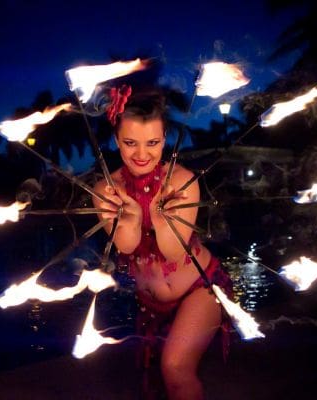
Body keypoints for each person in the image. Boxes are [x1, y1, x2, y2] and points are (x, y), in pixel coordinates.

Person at [93, 84, 232, 400]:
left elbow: (173, 251)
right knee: (154, 386)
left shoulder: (182, 181)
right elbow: (127, 246)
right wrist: (130, 219)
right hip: (150, 304)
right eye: (130, 143)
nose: (142, 154)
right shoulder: (106, 190)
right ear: (116, 139)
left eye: (152, 143)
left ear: (165, 138)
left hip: (200, 287)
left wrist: (159, 217)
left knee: (175, 369)